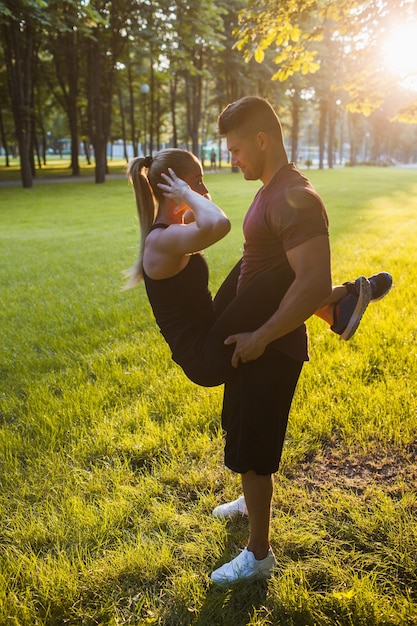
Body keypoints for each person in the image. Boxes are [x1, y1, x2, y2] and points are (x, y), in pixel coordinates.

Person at [126, 145, 392, 582]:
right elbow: (220, 223)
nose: (206, 190)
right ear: (176, 188)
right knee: (276, 273)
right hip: (205, 355)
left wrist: (184, 196)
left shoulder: (175, 228)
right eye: (198, 183)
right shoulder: (162, 239)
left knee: (260, 262)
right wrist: (183, 195)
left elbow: (218, 228)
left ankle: (340, 303)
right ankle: (343, 298)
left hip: (211, 332)